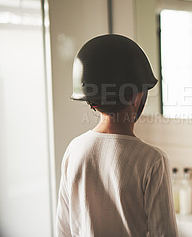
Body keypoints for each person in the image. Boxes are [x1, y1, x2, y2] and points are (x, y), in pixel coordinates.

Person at [56, 34, 179, 236]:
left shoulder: (75, 149)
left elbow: (63, 230)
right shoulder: (152, 161)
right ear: (135, 95)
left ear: (91, 100)